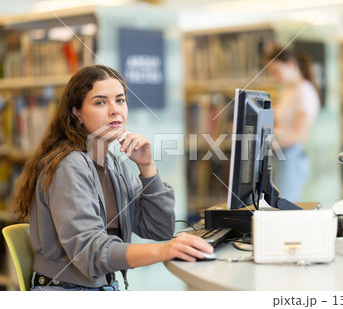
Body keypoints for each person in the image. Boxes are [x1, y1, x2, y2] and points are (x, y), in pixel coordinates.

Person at [12, 65, 213, 291]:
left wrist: (147, 166)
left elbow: (159, 228)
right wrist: (164, 251)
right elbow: (89, 252)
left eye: (120, 100)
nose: (115, 110)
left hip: (102, 287)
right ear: (76, 112)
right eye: (100, 102)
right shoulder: (69, 166)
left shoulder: (113, 164)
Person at [266, 46, 321, 202]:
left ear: (290, 64)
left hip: (291, 157)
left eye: (276, 71)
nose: (275, 77)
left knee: (284, 206)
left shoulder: (304, 91)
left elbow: (300, 134)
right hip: (281, 156)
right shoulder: (289, 90)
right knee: (278, 203)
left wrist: (270, 144)